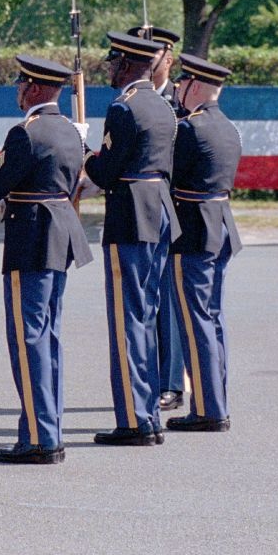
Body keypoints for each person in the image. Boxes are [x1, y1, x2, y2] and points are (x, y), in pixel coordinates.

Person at [0, 54, 94, 464]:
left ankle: (39, 437)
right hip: (60, 234)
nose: (18, 91)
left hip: (31, 236)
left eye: (20, 84)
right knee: (48, 336)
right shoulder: (69, 131)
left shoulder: (24, 133)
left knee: (28, 338)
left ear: (32, 88)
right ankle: (49, 428)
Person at [81, 31, 181, 446]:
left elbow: (106, 172)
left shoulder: (124, 108)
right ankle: (149, 415)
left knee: (128, 320)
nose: (109, 70)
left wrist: (83, 150)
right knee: (147, 311)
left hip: (132, 215)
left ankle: (135, 419)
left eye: (112, 63)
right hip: (158, 209)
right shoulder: (162, 107)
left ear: (125, 65)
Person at [165, 53, 242, 432]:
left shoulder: (189, 129)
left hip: (194, 228)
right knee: (212, 318)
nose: (178, 90)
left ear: (193, 86)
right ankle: (217, 401)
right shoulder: (227, 126)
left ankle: (208, 409)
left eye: (181, 85)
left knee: (195, 321)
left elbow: (166, 174)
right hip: (220, 225)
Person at [134, 24, 191, 412]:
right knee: (145, 299)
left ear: (168, 59)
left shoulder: (179, 104)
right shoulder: (132, 99)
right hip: (139, 211)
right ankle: (148, 377)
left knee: (168, 300)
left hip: (171, 208)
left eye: (150, 54)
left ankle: (171, 382)